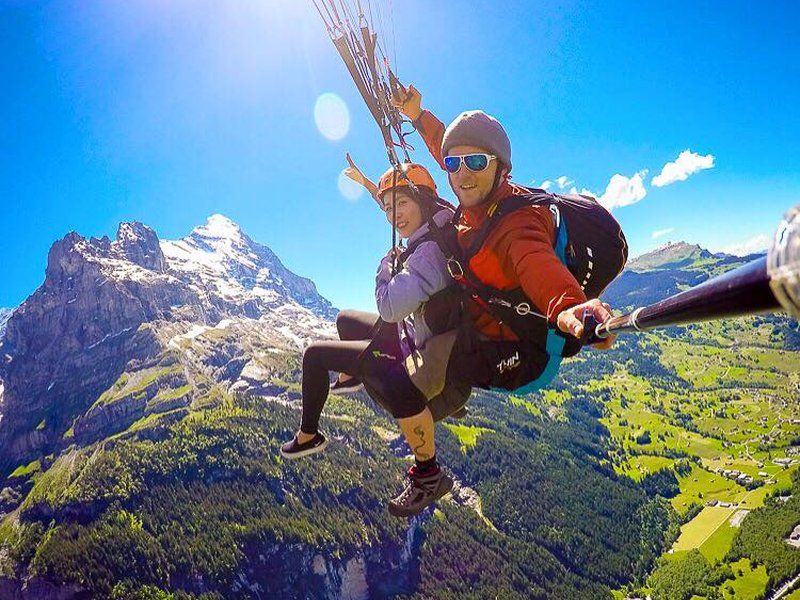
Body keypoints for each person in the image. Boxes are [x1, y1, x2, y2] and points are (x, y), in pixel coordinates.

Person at [388, 83, 624, 394]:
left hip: (520, 356)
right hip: (486, 317)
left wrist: (569, 306)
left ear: (501, 168)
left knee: (408, 377)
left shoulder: (516, 226)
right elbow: (449, 147)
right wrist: (417, 116)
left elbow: (536, 264)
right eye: (452, 165)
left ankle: (444, 398)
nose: (461, 175)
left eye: (475, 162)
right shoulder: (483, 198)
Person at [281, 161, 465, 517]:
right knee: (345, 320)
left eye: (402, 205)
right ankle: (351, 376)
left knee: (314, 356)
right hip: (427, 337)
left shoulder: (427, 253)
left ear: (422, 201)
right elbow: (407, 200)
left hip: (431, 361)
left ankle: (310, 435)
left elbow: (390, 306)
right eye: (387, 208)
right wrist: (368, 183)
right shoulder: (439, 223)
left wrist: (387, 265)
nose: (394, 216)